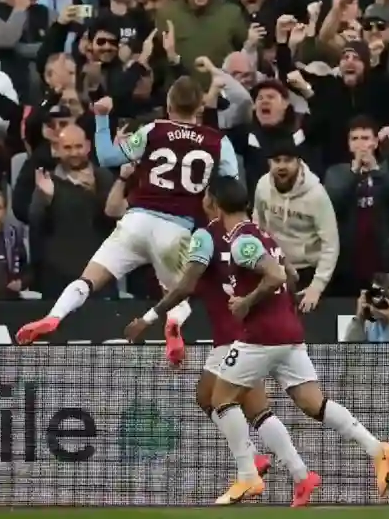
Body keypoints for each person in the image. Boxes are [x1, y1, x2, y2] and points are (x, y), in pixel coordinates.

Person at [125, 176, 322, 506]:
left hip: (238, 334)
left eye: (206, 195)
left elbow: (187, 286)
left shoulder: (207, 236)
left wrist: (148, 318)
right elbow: (289, 276)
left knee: (228, 401)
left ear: (212, 201)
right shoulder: (246, 234)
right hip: (240, 331)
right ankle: (292, 472)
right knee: (223, 400)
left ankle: (257, 471)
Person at [16, 77, 240, 366]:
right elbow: (231, 187)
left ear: (168, 105)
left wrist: (101, 118)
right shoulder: (219, 142)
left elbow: (107, 157)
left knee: (88, 279)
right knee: (178, 296)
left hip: (136, 221)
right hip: (177, 229)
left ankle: (53, 316)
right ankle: (172, 326)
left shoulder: (153, 131)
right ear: (199, 107)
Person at [203, 175, 389, 505]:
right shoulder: (265, 235)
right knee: (313, 403)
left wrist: (247, 302)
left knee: (218, 398)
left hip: (261, 336)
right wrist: (284, 305)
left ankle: (248, 477)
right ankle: (377, 449)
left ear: (216, 203)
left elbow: (277, 275)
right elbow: (290, 274)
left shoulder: (240, 241)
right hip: (289, 334)